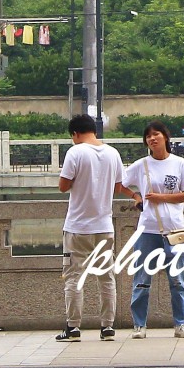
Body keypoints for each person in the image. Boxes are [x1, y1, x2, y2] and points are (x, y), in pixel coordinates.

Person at [57, 113, 130, 342]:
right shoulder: (112, 152)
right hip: (104, 225)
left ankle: (73, 328)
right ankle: (107, 327)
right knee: (106, 277)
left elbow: (63, 186)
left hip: (78, 226)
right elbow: (119, 186)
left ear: (75, 134)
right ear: (94, 131)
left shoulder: (75, 152)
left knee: (73, 277)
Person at [123, 121, 184, 338]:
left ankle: (180, 324)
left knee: (177, 279)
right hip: (148, 230)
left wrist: (160, 197)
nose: (152, 139)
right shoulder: (141, 165)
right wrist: (136, 197)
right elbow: (120, 183)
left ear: (165, 137)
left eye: (155, 135)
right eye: (148, 136)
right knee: (142, 279)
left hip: (175, 230)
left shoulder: (179, 164)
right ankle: (139, 325)